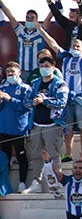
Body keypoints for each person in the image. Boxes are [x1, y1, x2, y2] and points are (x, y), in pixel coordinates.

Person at [34, 24, 82, 161]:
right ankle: (68, 153)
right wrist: (41, 31)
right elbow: (53, 44)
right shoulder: (65, 57)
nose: (75, 48)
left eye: (78, 46)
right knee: (68, 128)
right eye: (73, 46)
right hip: (66, 98)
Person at [24, 54, 69, 192]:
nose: (44, 68)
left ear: (53, 67)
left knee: (54, 155)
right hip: (36, 124)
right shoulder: (35, 83)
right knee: (36, 155)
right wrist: (33, 102)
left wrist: (44, 100)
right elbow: (26, 101)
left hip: (52, 125)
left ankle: (57, 181)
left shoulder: (60, 83)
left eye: (47, 66)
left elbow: (62, 102)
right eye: (42, 66)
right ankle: (36, 183)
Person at [1, 61, 34, 192]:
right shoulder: (2, 88)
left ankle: (22, 182)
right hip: (3, 128)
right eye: (8, 72)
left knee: (21, 156)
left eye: (12, 72)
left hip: (18, 128)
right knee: (4, 158)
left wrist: (10, 99)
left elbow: (26, 107)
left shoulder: (26, 88)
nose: (10, 74)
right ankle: (3, 185)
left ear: (19, 73)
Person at [39, 149, 82, 219]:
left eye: (80, 168)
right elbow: (56, 172)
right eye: (75, 168)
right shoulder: (68, 180)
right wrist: (48, 160)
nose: (77, 170)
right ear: (72, 170)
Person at [0, 0, 47, 78]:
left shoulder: (41, 31)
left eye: (32, 18)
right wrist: (1, 3)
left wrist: (53, 4)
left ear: (37, 20)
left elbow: (48, 19)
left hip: (36, 70)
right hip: (21, 70)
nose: (29, 19)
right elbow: (10, 17)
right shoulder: (20, 30)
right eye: (27, 17)